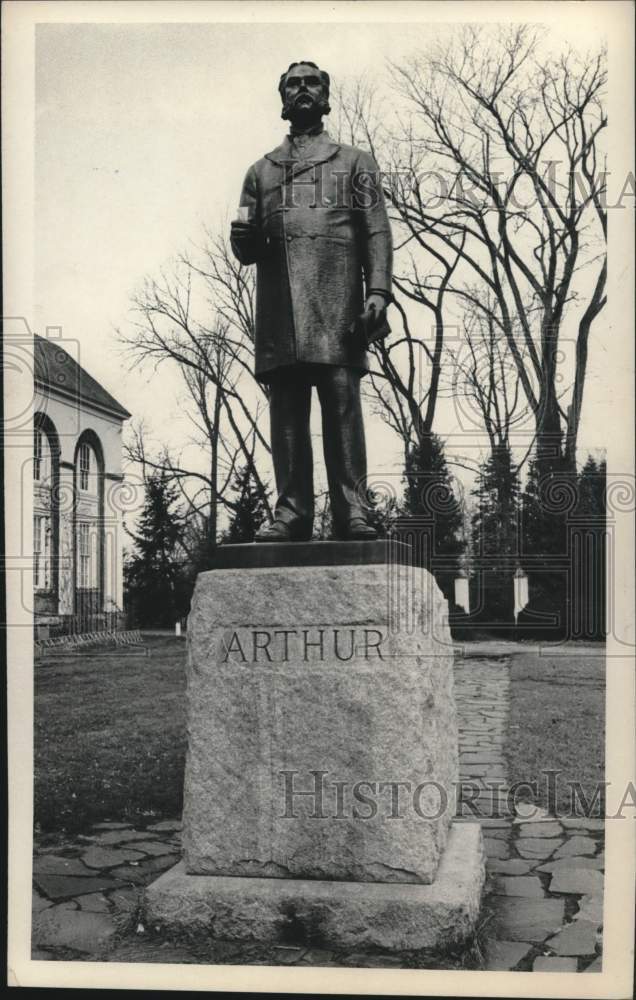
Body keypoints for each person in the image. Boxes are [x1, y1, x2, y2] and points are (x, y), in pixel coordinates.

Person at [230, 61, 393, 542]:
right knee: (286, 415)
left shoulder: (354, 163)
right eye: (293, 84)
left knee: (342, 407)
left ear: (325, 96)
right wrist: (243, 238)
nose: (303, 90)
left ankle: (353, 510)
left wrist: (379, 292)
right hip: (282, 314)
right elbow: (246, 247)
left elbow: (376, 231)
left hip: (338, 306)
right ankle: (292, 512)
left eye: (312, 83)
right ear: (282, 98)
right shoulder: (260, 172)